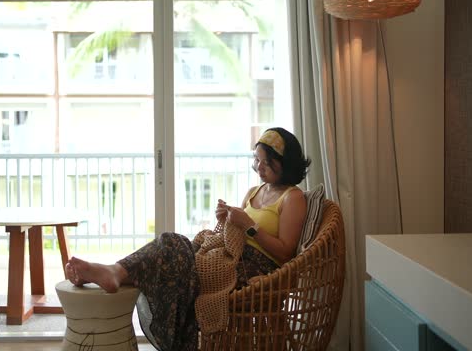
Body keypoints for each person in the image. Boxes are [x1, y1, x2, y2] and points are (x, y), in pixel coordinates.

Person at [65, 127, 311, 351]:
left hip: (256, 271)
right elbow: (236, 232)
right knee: (173, 244)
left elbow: (286, 253)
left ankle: (115, 272)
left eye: (266, 162)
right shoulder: (255, 191)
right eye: (256, 160)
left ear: (284, 163)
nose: (259, 167)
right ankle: (115, 272)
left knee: (174, 249)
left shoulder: (293, 198)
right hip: (230, 257)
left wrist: (249, 226)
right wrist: (226, 218)